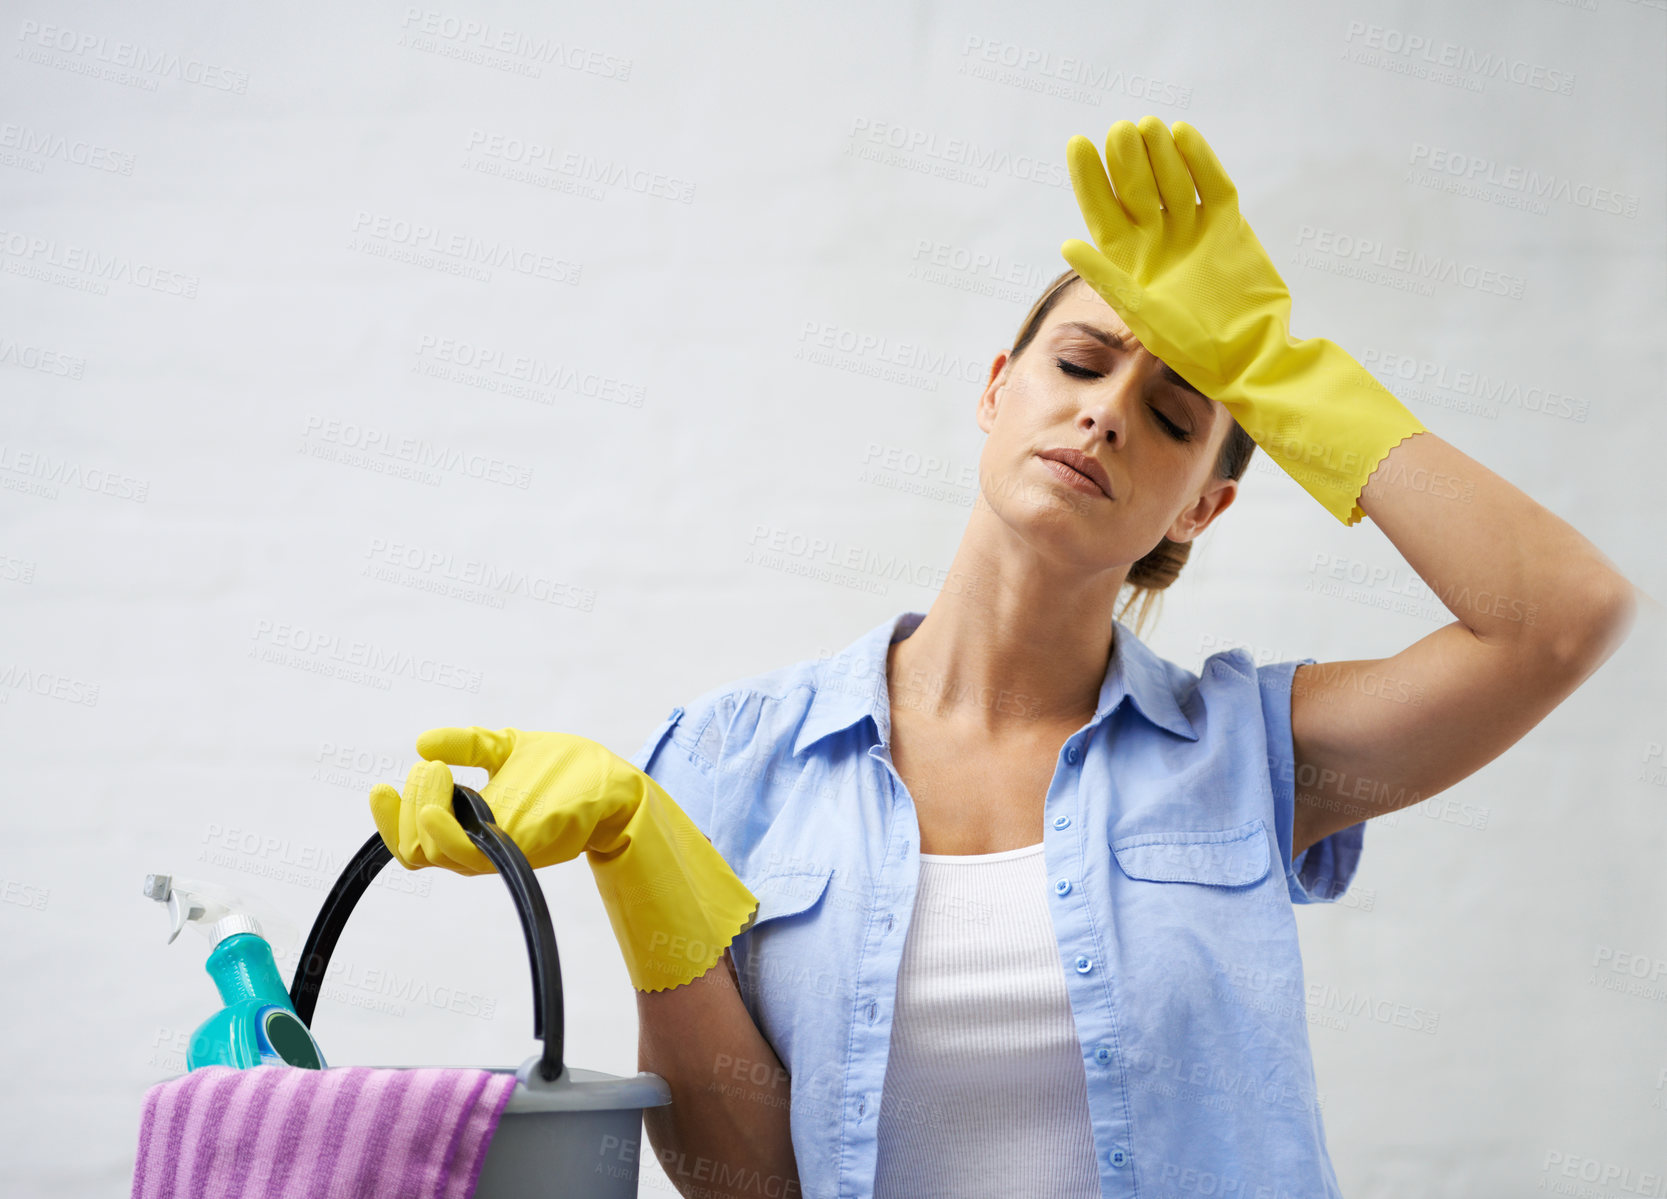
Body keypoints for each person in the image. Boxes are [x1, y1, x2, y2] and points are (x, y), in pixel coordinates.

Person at [368, 118, 1639, 1199]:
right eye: (1079, 362)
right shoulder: (728, 759)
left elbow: (1556, 616)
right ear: (996, 389)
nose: (1103, 410)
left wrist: (1277, 370)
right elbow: (745, 1180)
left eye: (1171, 415)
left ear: (1201, 506)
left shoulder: (1252, 757)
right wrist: (637, 856)